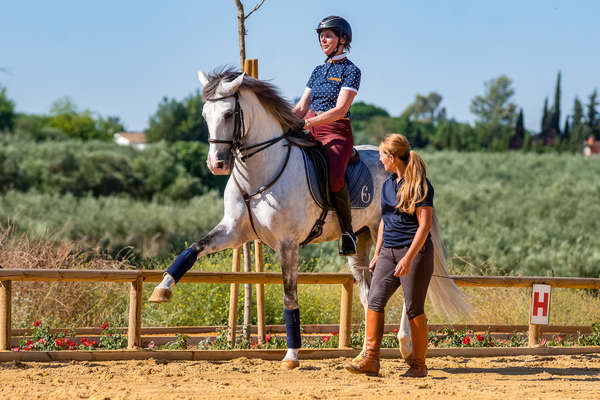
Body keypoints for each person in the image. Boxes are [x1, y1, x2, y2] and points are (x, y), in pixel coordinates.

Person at [345, 134, 434, 377]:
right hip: (388, 252)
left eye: (383, 155)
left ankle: (419, 365)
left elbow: (425, 226)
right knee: (374, 301)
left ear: (392, 158)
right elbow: (384, 221)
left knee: (414, 308)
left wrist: (408, 258)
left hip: (414, 252)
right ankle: (371, 359)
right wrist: (378, 253)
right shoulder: (387, 185)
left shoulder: (421, 186)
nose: (381, 160)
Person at [292, 15, 361, 256]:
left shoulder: (351, 71)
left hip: (336, 131)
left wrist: (309, 121)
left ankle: (347, 231)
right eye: (321, 35)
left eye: (329, 35)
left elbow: (340, 109)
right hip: (310, 128)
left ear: (343, 39)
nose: (323, 39)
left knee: (334, 178)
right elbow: (301, 107)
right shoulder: (318, 71)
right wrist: (282, 120)